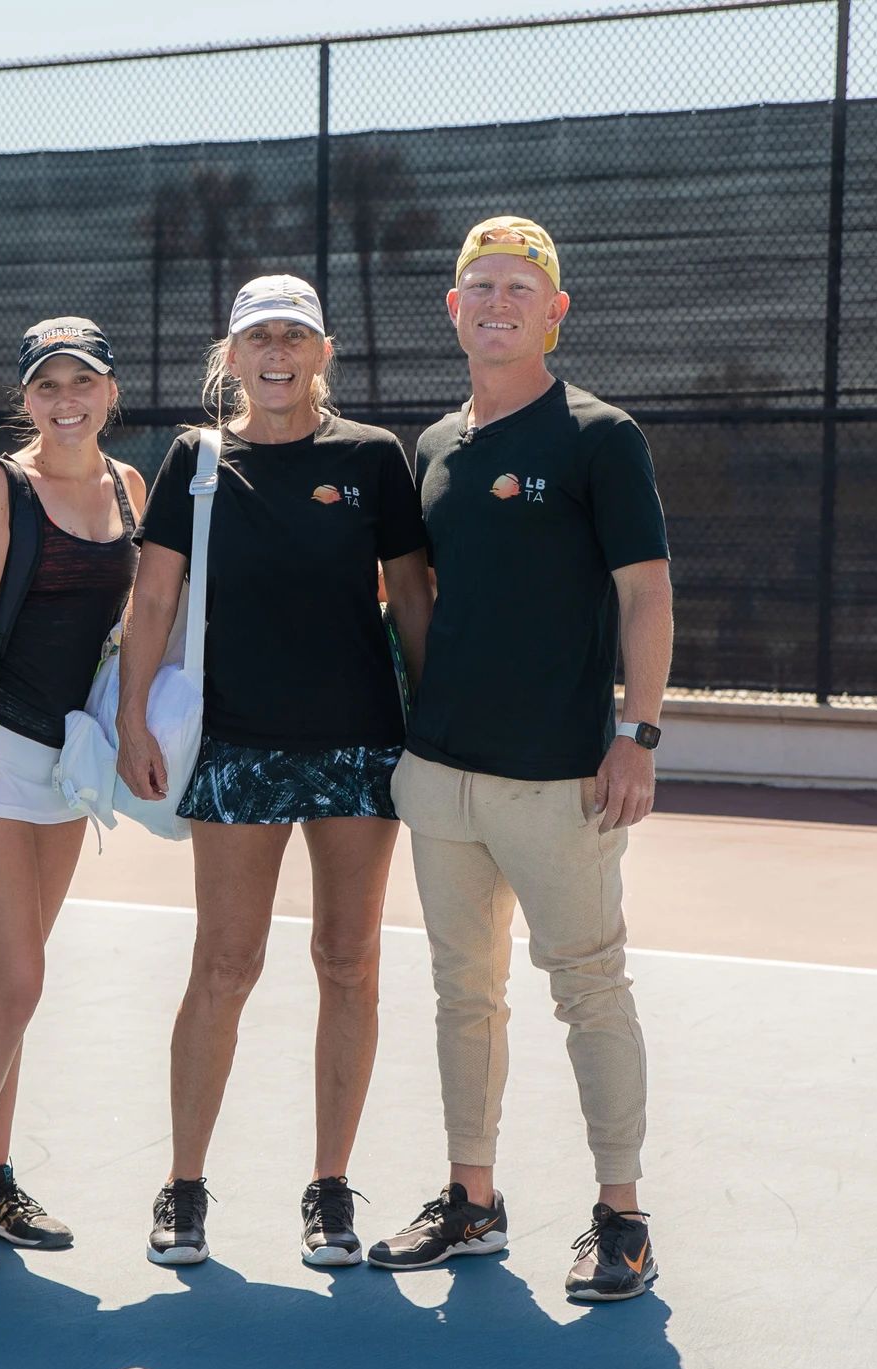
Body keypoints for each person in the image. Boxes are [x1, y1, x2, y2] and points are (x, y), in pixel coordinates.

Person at [366, 217, 674, 1303]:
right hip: (442, 776)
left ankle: (622, 1217)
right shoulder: (435, 446)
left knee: (590, 991)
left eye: (519, 287)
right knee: (464, 995)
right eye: (478, 286)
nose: (497, 302)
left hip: (562, 782)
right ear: (453, 310)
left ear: (555, 310)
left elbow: (646, 594)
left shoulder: (602, 436)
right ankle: (471, 1200)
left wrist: (636, 735)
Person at [116, 276, 434, 1270]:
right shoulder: (196, 460)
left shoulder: (373, 459)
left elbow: (414, 601)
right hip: (238, 748)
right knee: (226, 963)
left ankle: (329, 1189)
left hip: (359, 750)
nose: (279, 350)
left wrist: (438, 720)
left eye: (296, 334)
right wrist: (130, 713)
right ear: (234, 353)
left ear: (324, 351)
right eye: (261, 336)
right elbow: (154, 597)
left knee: (349, 962)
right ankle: (183, 1186)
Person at [0, 317, 147, 1270]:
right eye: (46, 385)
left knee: (3, 987)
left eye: (82, 380)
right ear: (27, 399)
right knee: (14, 983)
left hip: (64, 765)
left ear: (110, 392)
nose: (66, 399)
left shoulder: (129, 488)